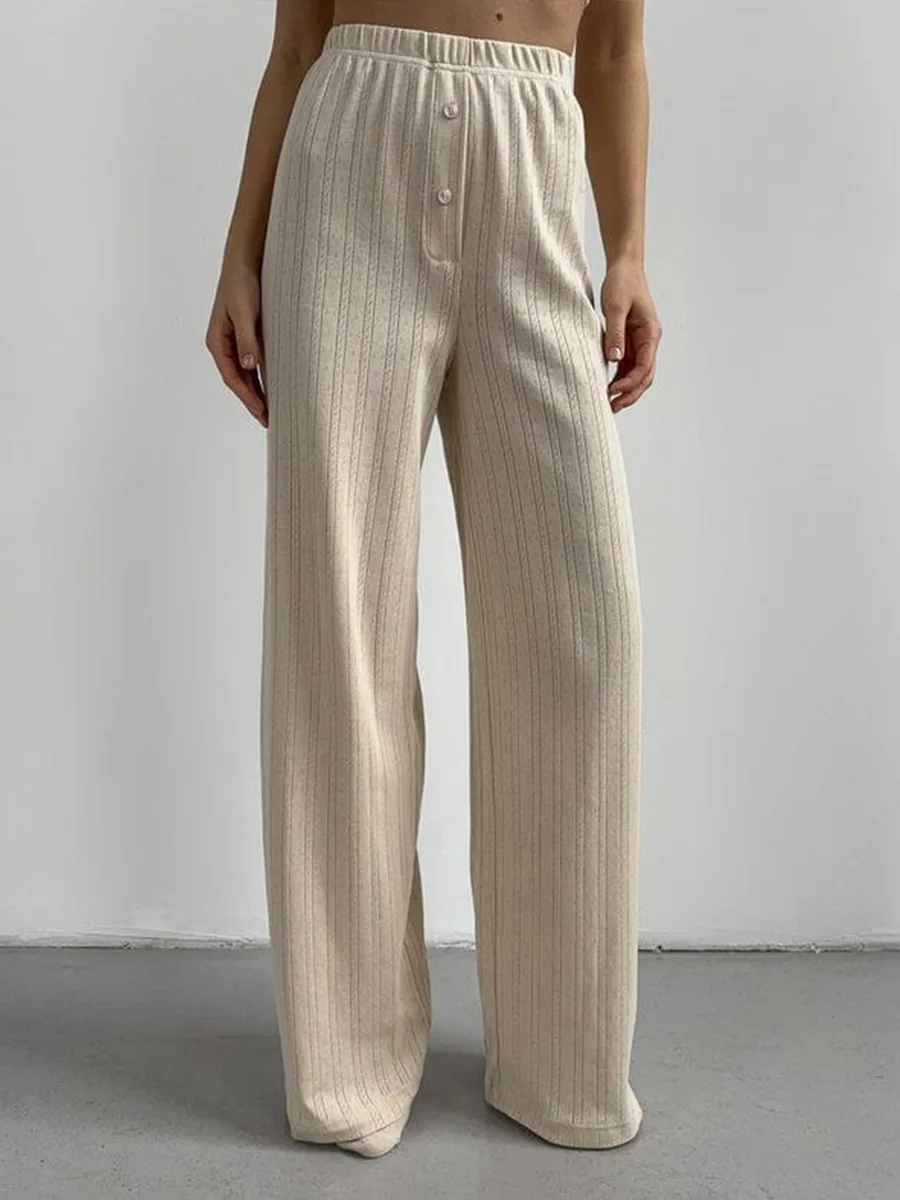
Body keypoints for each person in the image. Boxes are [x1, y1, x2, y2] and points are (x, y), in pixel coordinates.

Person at [206, 0, 661, 1161]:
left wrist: (626, 249)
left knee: (584, 636)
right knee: (338, 626)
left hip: (538, 171)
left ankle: (563, 1062)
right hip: (351, 159)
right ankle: (348, 1061)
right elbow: (295, 47)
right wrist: (239, 254)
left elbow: (613, 51)